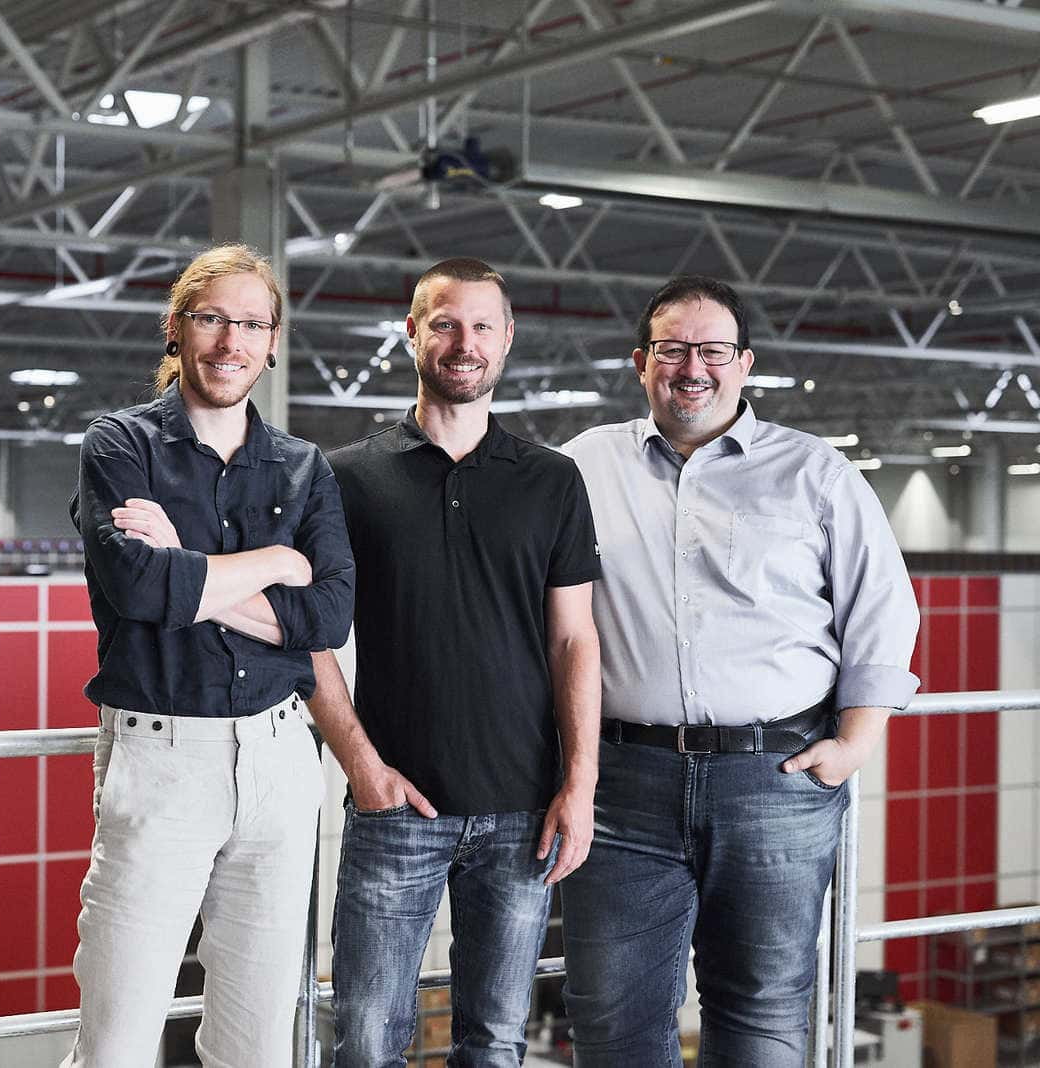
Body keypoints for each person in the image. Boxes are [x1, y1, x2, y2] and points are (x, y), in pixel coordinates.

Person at [559, 275, 920, 1067]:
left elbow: (884, 609)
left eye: (714, 350)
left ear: (745, 362)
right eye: (673, 349)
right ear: (640, 361)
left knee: (764, 1018)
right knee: (612, 1021)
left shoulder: (814, 472)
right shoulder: (583, 466)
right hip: (621, 788)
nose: (694, 366)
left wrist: (855, 743)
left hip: (775, 780)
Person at [62, 243, 354, 1067]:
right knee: (118, 1040)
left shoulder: (302, 468)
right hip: (160, 761)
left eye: (251, 324)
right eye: (212, 318)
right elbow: (143, 594)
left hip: (279, 758)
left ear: (272, 343)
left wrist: (192, 569)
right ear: (177, 328)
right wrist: (279, 563)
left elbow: (327, 614)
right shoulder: (120, 445)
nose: (230, 342)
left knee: (257, 1042)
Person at [310, 257, 603, 1066]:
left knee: (496, 1044)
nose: (462, 343)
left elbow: (575, 639)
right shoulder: (348, 479)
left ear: (506, 340)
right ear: (412, 332)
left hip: (523, 810)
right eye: (444, 323)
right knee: (367, 1041)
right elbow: (311, 640)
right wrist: (362, 767)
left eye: (481, 326)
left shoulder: (553, 481)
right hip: (394, 810)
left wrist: (579, 785)